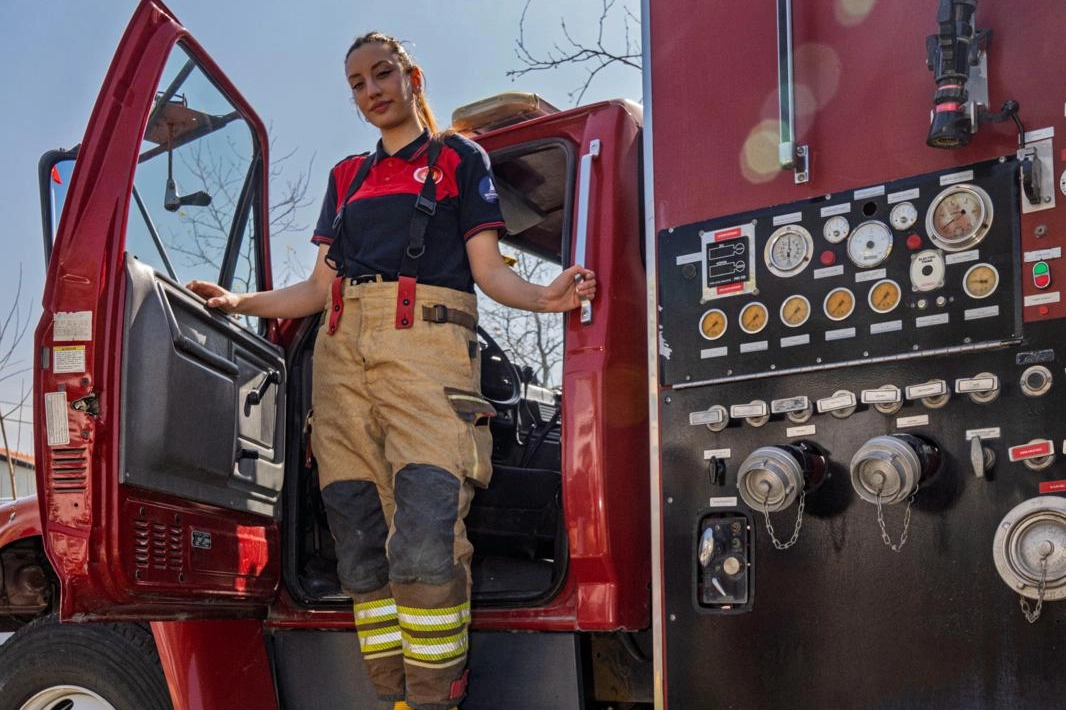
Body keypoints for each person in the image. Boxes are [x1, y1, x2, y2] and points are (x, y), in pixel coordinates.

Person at [187, 31, 596, 710]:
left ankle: (435, 697)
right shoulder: (345, 177)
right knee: (360, 551)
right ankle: (392, 698)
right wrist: (239, 303)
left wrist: (546, 297)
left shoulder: (459, 159)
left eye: (383, 74)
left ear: (412, 77)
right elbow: (317, 291)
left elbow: (490, 270)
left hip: (426, 357)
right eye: (358, 83)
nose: (372, 90)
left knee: (426, 543)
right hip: (342, 360)